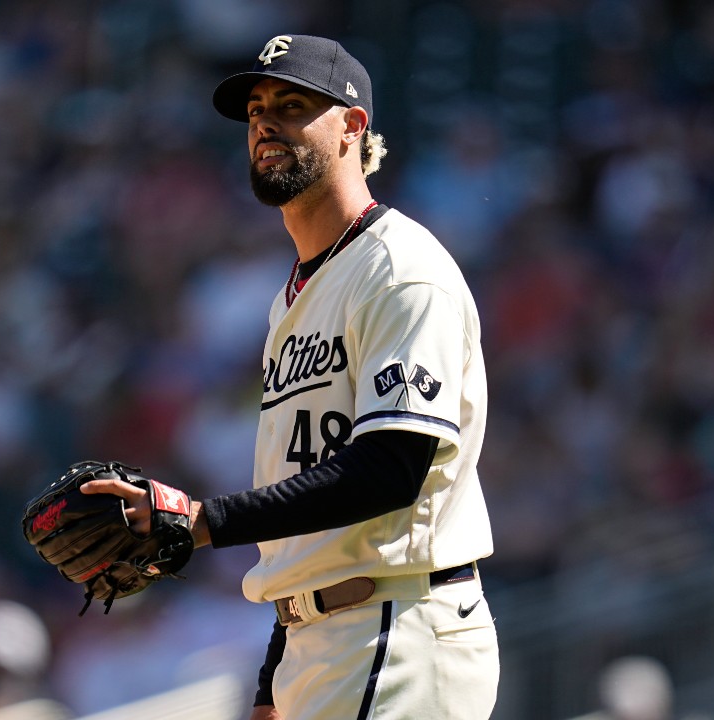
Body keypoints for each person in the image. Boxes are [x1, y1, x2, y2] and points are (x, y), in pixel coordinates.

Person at [80, 34, 499, 719]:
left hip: (398, 624)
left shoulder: (400, 270)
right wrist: (276, 670)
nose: (265, 122)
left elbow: (390, 468)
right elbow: (303, 503)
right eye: (255, 110)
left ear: (352, 127)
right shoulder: (293, 299)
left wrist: (200, 520)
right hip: (326, 637)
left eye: (293, 104)